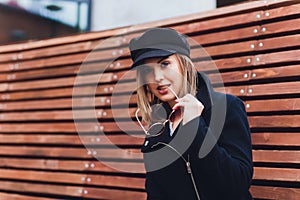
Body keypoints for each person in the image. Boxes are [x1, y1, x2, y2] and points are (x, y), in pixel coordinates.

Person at [129, 28, 253, 200]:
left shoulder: (226, 107)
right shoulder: (157, 126)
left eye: (165, 64)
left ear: (183, 63)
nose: (157, 77)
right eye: (147, 70)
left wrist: (195, 125)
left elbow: (236, 183)